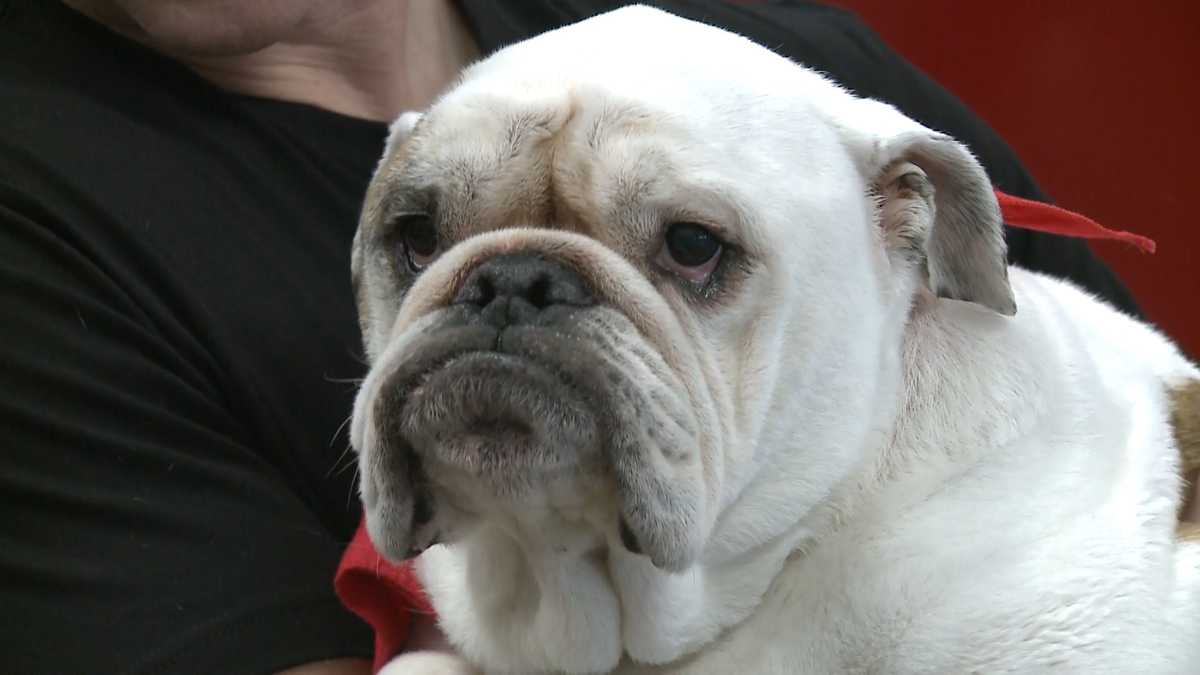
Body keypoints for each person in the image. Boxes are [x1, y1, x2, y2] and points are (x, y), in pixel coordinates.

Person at [0, 1, 1156, 674]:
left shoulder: (787, 74)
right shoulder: (39, 206)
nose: (512, 308)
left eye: (691, 250)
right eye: (422, 239)